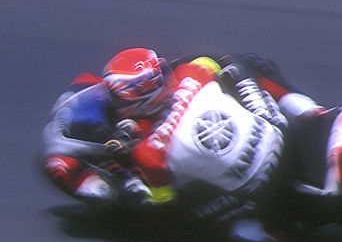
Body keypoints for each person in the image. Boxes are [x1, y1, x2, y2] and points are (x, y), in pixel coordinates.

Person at [41, 48, 324, 211]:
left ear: (139, 100)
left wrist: (132, 183)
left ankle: (247, 230)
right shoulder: (191, 72)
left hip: (256, 184)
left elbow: (163, 201)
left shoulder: (147, 153)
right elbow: (214, 61)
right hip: (277, 131)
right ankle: (308, 110)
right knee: (244, 62)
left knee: (161, 213)